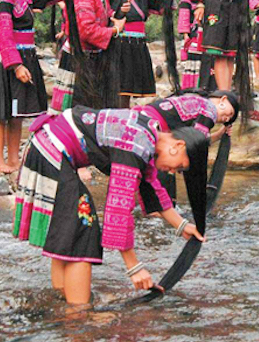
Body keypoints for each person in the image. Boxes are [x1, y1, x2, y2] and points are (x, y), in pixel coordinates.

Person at [13, 106, 207, 305]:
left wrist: (182, 225)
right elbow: (119, 206)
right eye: (181, 166)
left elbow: (150, 186)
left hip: (46, 144)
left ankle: (61, 300)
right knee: (83, 231)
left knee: (70, 230)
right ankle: (78, 317)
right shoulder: (137, 142)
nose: (174, 171)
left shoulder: (149, 132)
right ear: (178, 146)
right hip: (52, 151)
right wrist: (134, 267)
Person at [0, 0, 68, 173]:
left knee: (17, 113)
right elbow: (2, 33)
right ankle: (0, 161)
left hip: (25, 55)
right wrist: (16, 64)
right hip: (10, 59)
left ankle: (14, 158)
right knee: (2, 114)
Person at [50, 0, 127, 113]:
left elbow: (103, 14)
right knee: (74, 111)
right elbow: (86, 31)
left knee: (89, 109)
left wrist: (113, 17)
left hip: (92, 58)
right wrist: (115, 29)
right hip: (77, 58)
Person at [110, 0, 177, 108]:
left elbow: (162, 6)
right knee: (118, 88)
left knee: (127, 90)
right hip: (118, 40)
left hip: (138, 42)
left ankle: (124, 119)